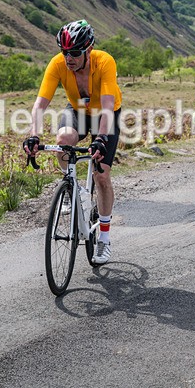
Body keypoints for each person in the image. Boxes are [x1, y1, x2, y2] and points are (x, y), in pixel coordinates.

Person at [23, 19, 122, 265]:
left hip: (106, 114)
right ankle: (72, 188)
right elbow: (40, 104)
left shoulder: (104, 61)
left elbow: (108, 106)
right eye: (65, 52)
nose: (69, 58)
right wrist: (33, 134)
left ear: (88, 49)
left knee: (101, 176)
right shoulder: (57, 64)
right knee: (63, 139)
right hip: (77, 110)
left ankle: (104, 239)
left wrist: (100, 138)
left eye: (75, 53)